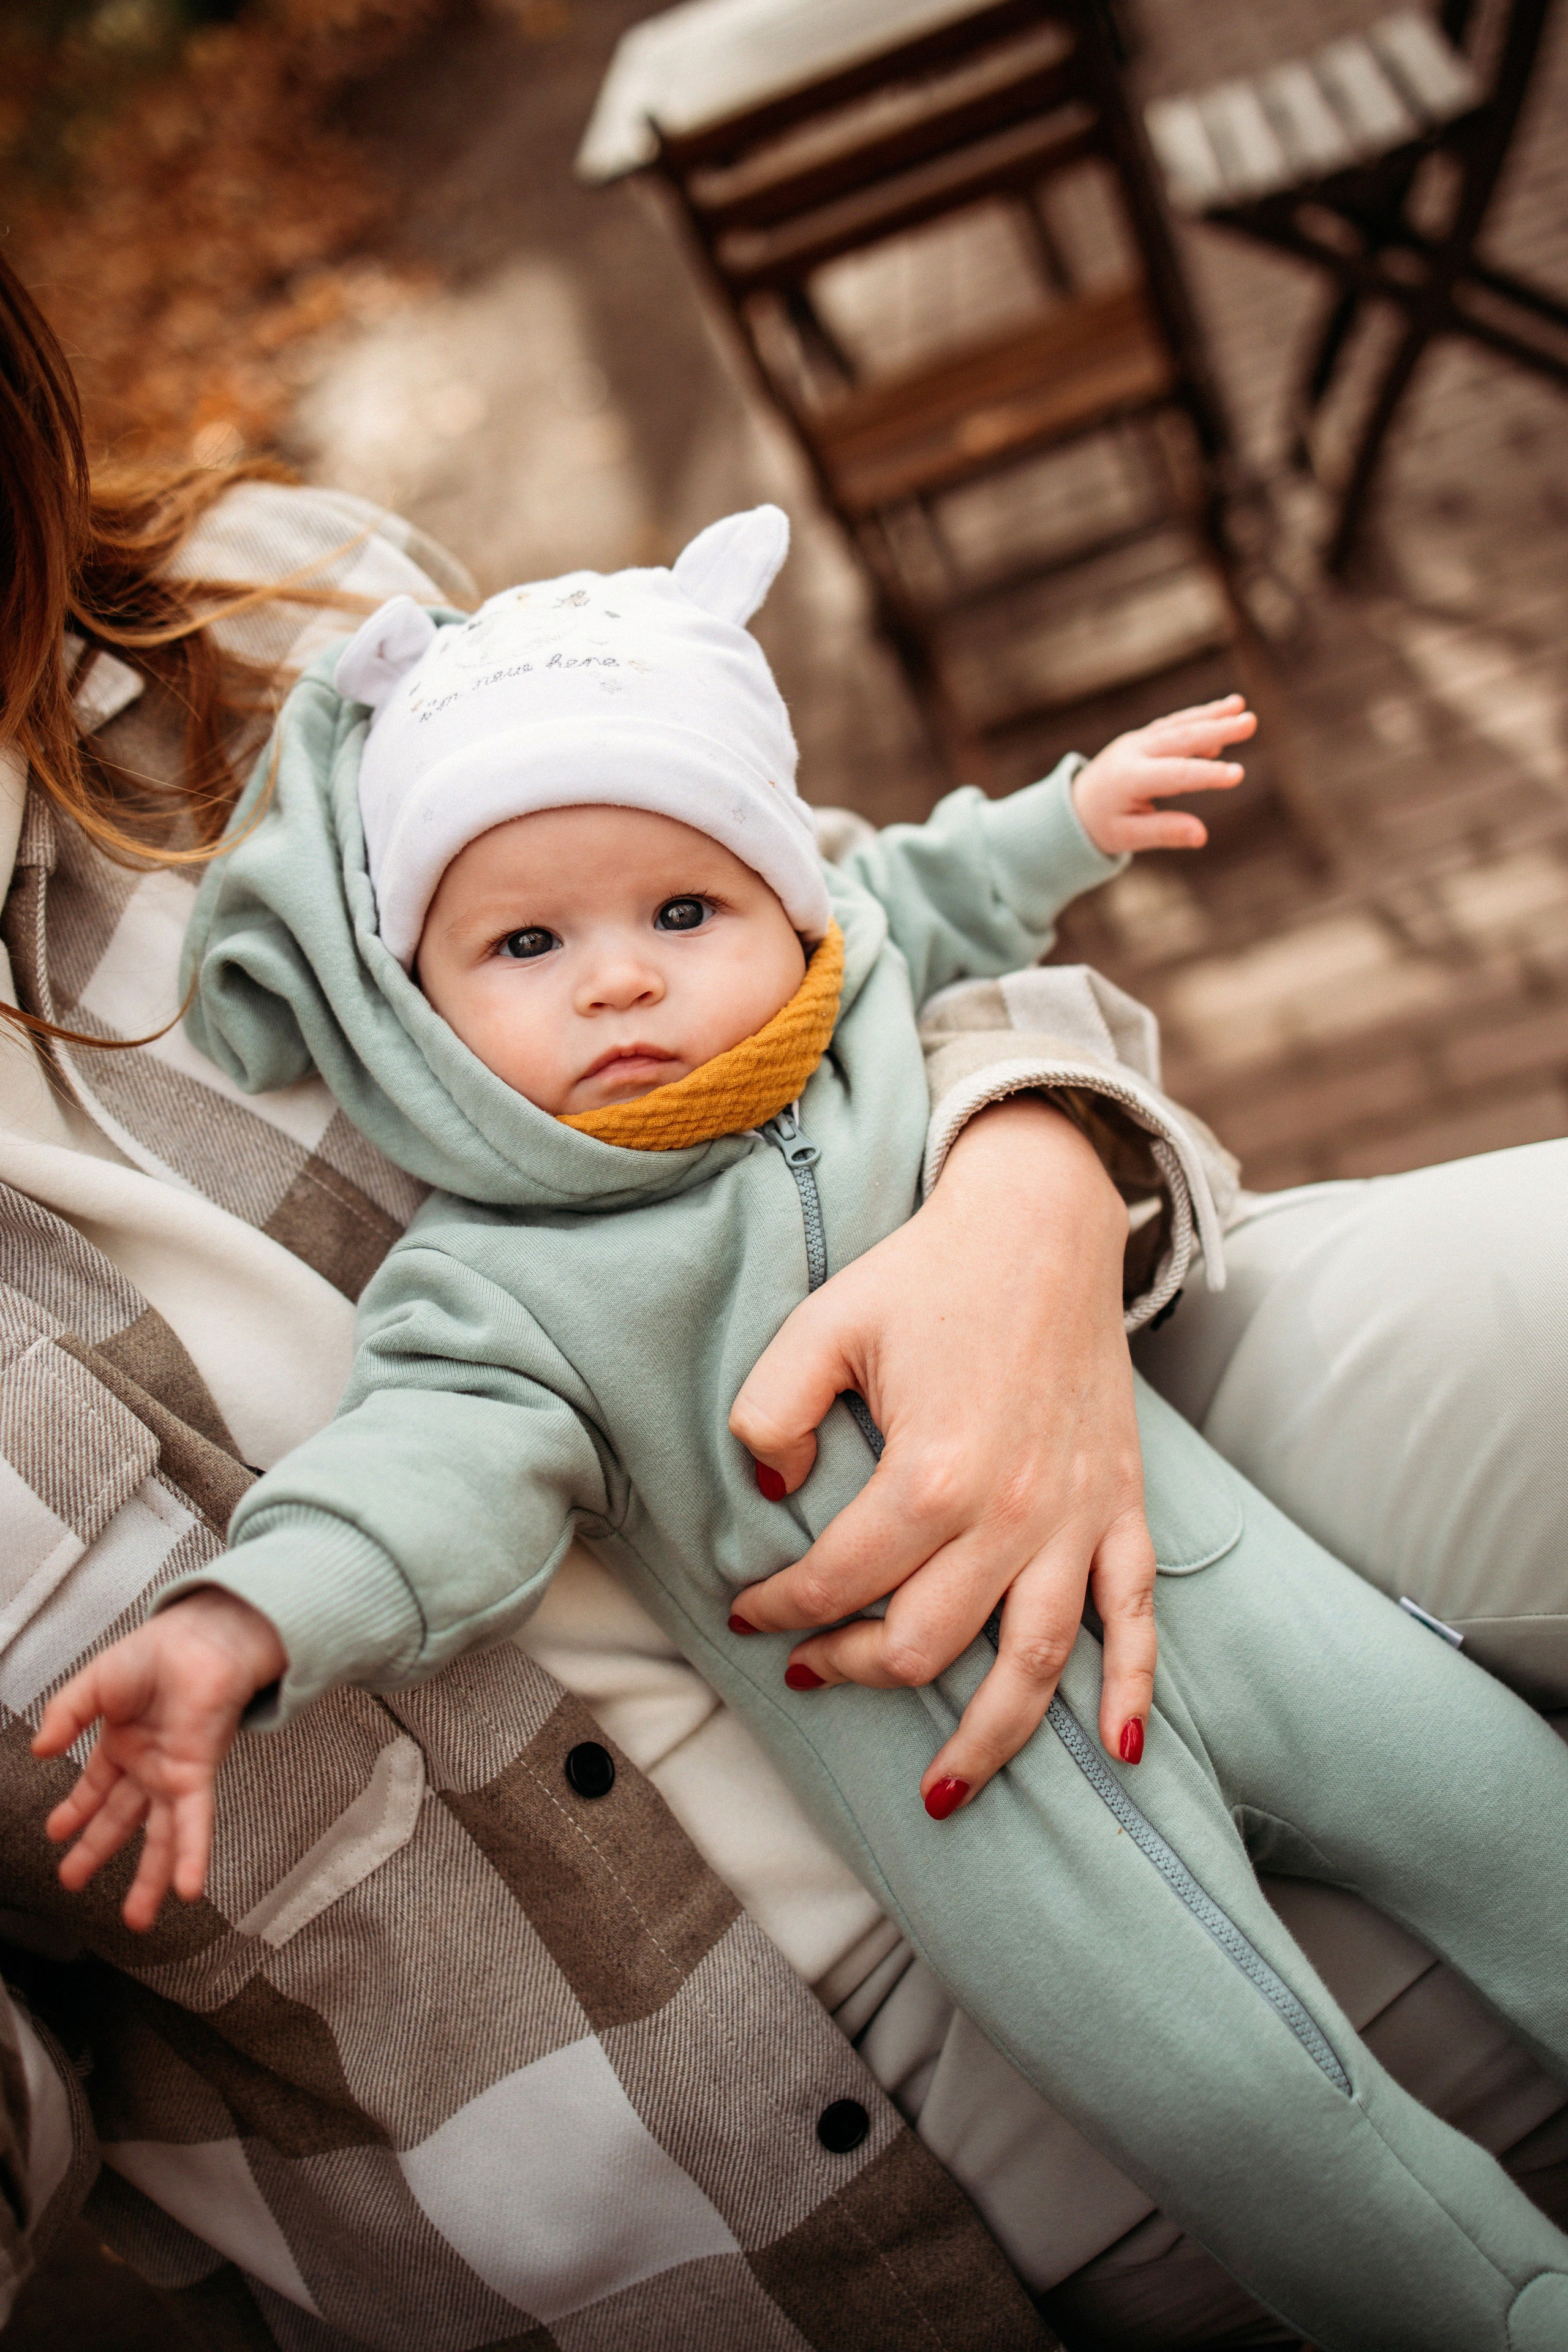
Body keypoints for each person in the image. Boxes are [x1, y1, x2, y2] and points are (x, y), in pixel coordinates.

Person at [1, 249, 1562, 2351]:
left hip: (1179, 1471)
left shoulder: (286, 624)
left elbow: (853, 893)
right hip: (906, 1847)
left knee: (1484, 1788)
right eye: (530, 960)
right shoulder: (502, 1293)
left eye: (652, 927)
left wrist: (1032, 1173)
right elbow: (427, 1477)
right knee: (1243, 2081)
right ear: (376, 1009)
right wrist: (247, 1627)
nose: (622, 978)